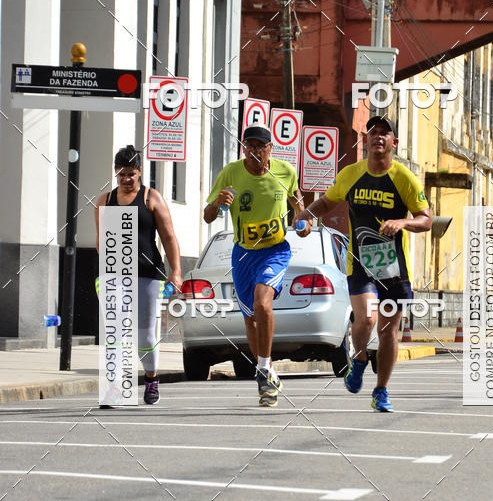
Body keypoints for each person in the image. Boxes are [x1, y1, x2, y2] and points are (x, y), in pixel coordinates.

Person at [295, 115, 431, 413]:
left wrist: (402, 222)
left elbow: (426, 219)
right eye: (372, 132)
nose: (378, 137)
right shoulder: (351, 174)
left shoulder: (405, 178)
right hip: (361, 263)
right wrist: (306, 215)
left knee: (388, 332)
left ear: (394, 142)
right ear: (365, 140)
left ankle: (381, 390)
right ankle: (358, 357)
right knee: (367, 320)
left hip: (393, 267)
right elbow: (327, 203)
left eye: (385, 133)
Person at [204, 125, 309, 407]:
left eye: (260, 147)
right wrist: (218, 203)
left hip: (274, 251)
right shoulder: (231, 173)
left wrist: (303, 221)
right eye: (249, 146)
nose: (255, 152)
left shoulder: (285, 171)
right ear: (243, 148)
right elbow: (207, 216)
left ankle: (262, 370)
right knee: (250, 318)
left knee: (263, 305)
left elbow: (298, 202)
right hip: (243, 255)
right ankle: (268, 371)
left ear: (270, 149)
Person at [94, 145, 182, 405]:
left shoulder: (150, 198)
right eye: (121, 174)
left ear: (140, 172)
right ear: (116, 173)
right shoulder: (104, 201)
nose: (126, 179)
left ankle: (151, 378)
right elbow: (102, 242)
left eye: (131, 174)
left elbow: (168, 237)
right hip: (114, 276)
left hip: (147, 274)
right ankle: (115, 386)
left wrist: (176, 271)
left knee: (144, 334)